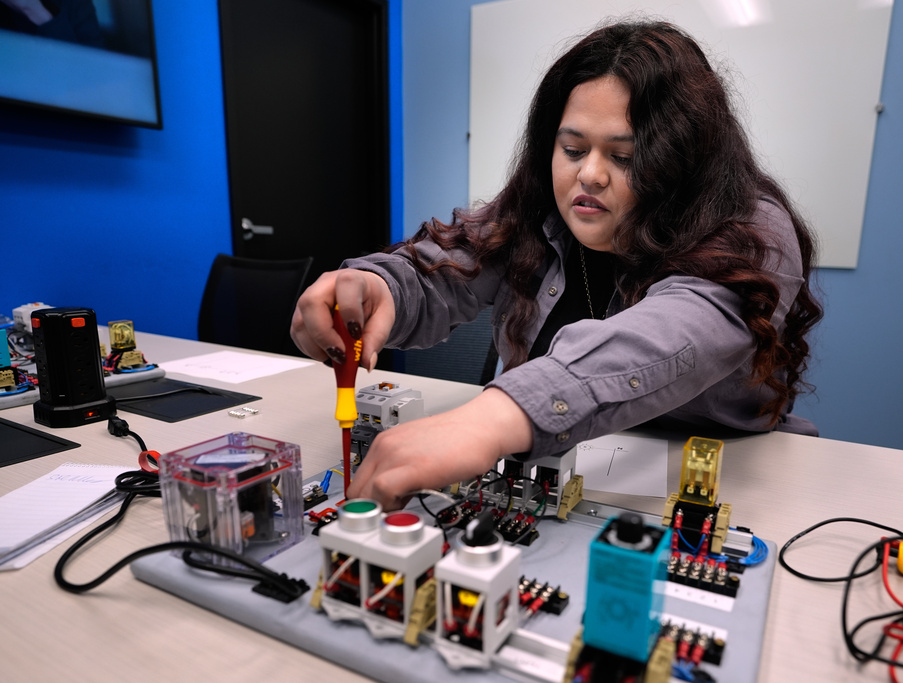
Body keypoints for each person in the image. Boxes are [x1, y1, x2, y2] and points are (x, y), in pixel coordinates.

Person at [291, 20, 823, 511]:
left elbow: (676, 334)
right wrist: (379, 284)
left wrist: (494, 418)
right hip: (555, 474)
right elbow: (444, 269)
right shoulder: (535, 207)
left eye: (624, 156)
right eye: (572, 149)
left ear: (684, 160)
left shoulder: (754, 229)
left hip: (720, 483)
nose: (588, 175)